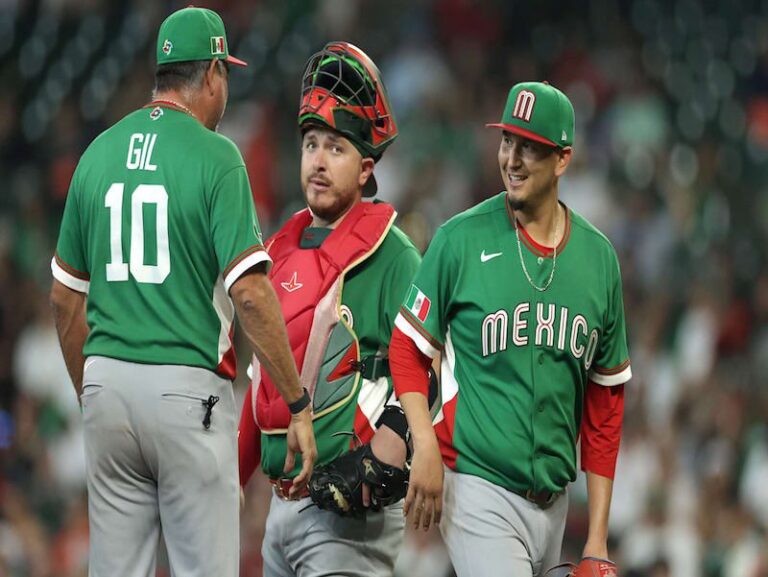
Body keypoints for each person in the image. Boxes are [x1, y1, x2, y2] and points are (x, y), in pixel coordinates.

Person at [49, 7, 316, 577]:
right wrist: (297, 400)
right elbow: (249, 293)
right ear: (214, 73)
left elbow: (65, 299)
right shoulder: (215, 155)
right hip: (185, 389)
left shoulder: (97, 153)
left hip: (107, 384)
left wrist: (90, 393)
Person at [389, 81, 632, 576]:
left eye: (529, 147)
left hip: (555, 502)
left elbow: (605, 405)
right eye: (506, 142)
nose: (512, 159)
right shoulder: (460, 239)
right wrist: (426, 443)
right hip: (477, 484)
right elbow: (407, 348)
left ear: (562, 159)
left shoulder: (598, 260)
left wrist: (598, 539)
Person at [238, 41, 421, 577]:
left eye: (335, 148)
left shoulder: (392, 254)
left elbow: (430, 367)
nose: (317, 160)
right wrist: (229, 481)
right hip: (280, 511)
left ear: (366, 169)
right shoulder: (279, 250)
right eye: (310, 143)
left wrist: (392, 447)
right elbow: (262, 384)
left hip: (349, 518)